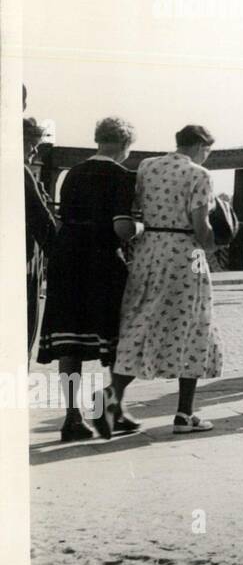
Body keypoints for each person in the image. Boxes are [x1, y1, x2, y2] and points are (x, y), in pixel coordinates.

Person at [111, 124, 226, 434]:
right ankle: (184, 414)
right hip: (184, 255)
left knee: (141, 321)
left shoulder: (147, 166)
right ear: (201, 146)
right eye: (208, 152)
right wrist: (217, 243)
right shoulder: (199, 175)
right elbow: (201, 228)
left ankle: (112, 397)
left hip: (149, 251)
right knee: (193, 326)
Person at [37, 118, 139, 442]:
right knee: (118, 337)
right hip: (101, 259)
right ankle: (112, 409)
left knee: (70, 342)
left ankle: (72, 418)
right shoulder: (123, 177)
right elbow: (122, 227)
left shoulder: (72, 174)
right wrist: (143, 229)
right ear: (125, 144)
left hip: (67, 257)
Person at [23, 117, 57, 362]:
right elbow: (42, 219)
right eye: (30, 144)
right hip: (24, 257)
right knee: (25, 327)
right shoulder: (21, 172)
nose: (34, 151)